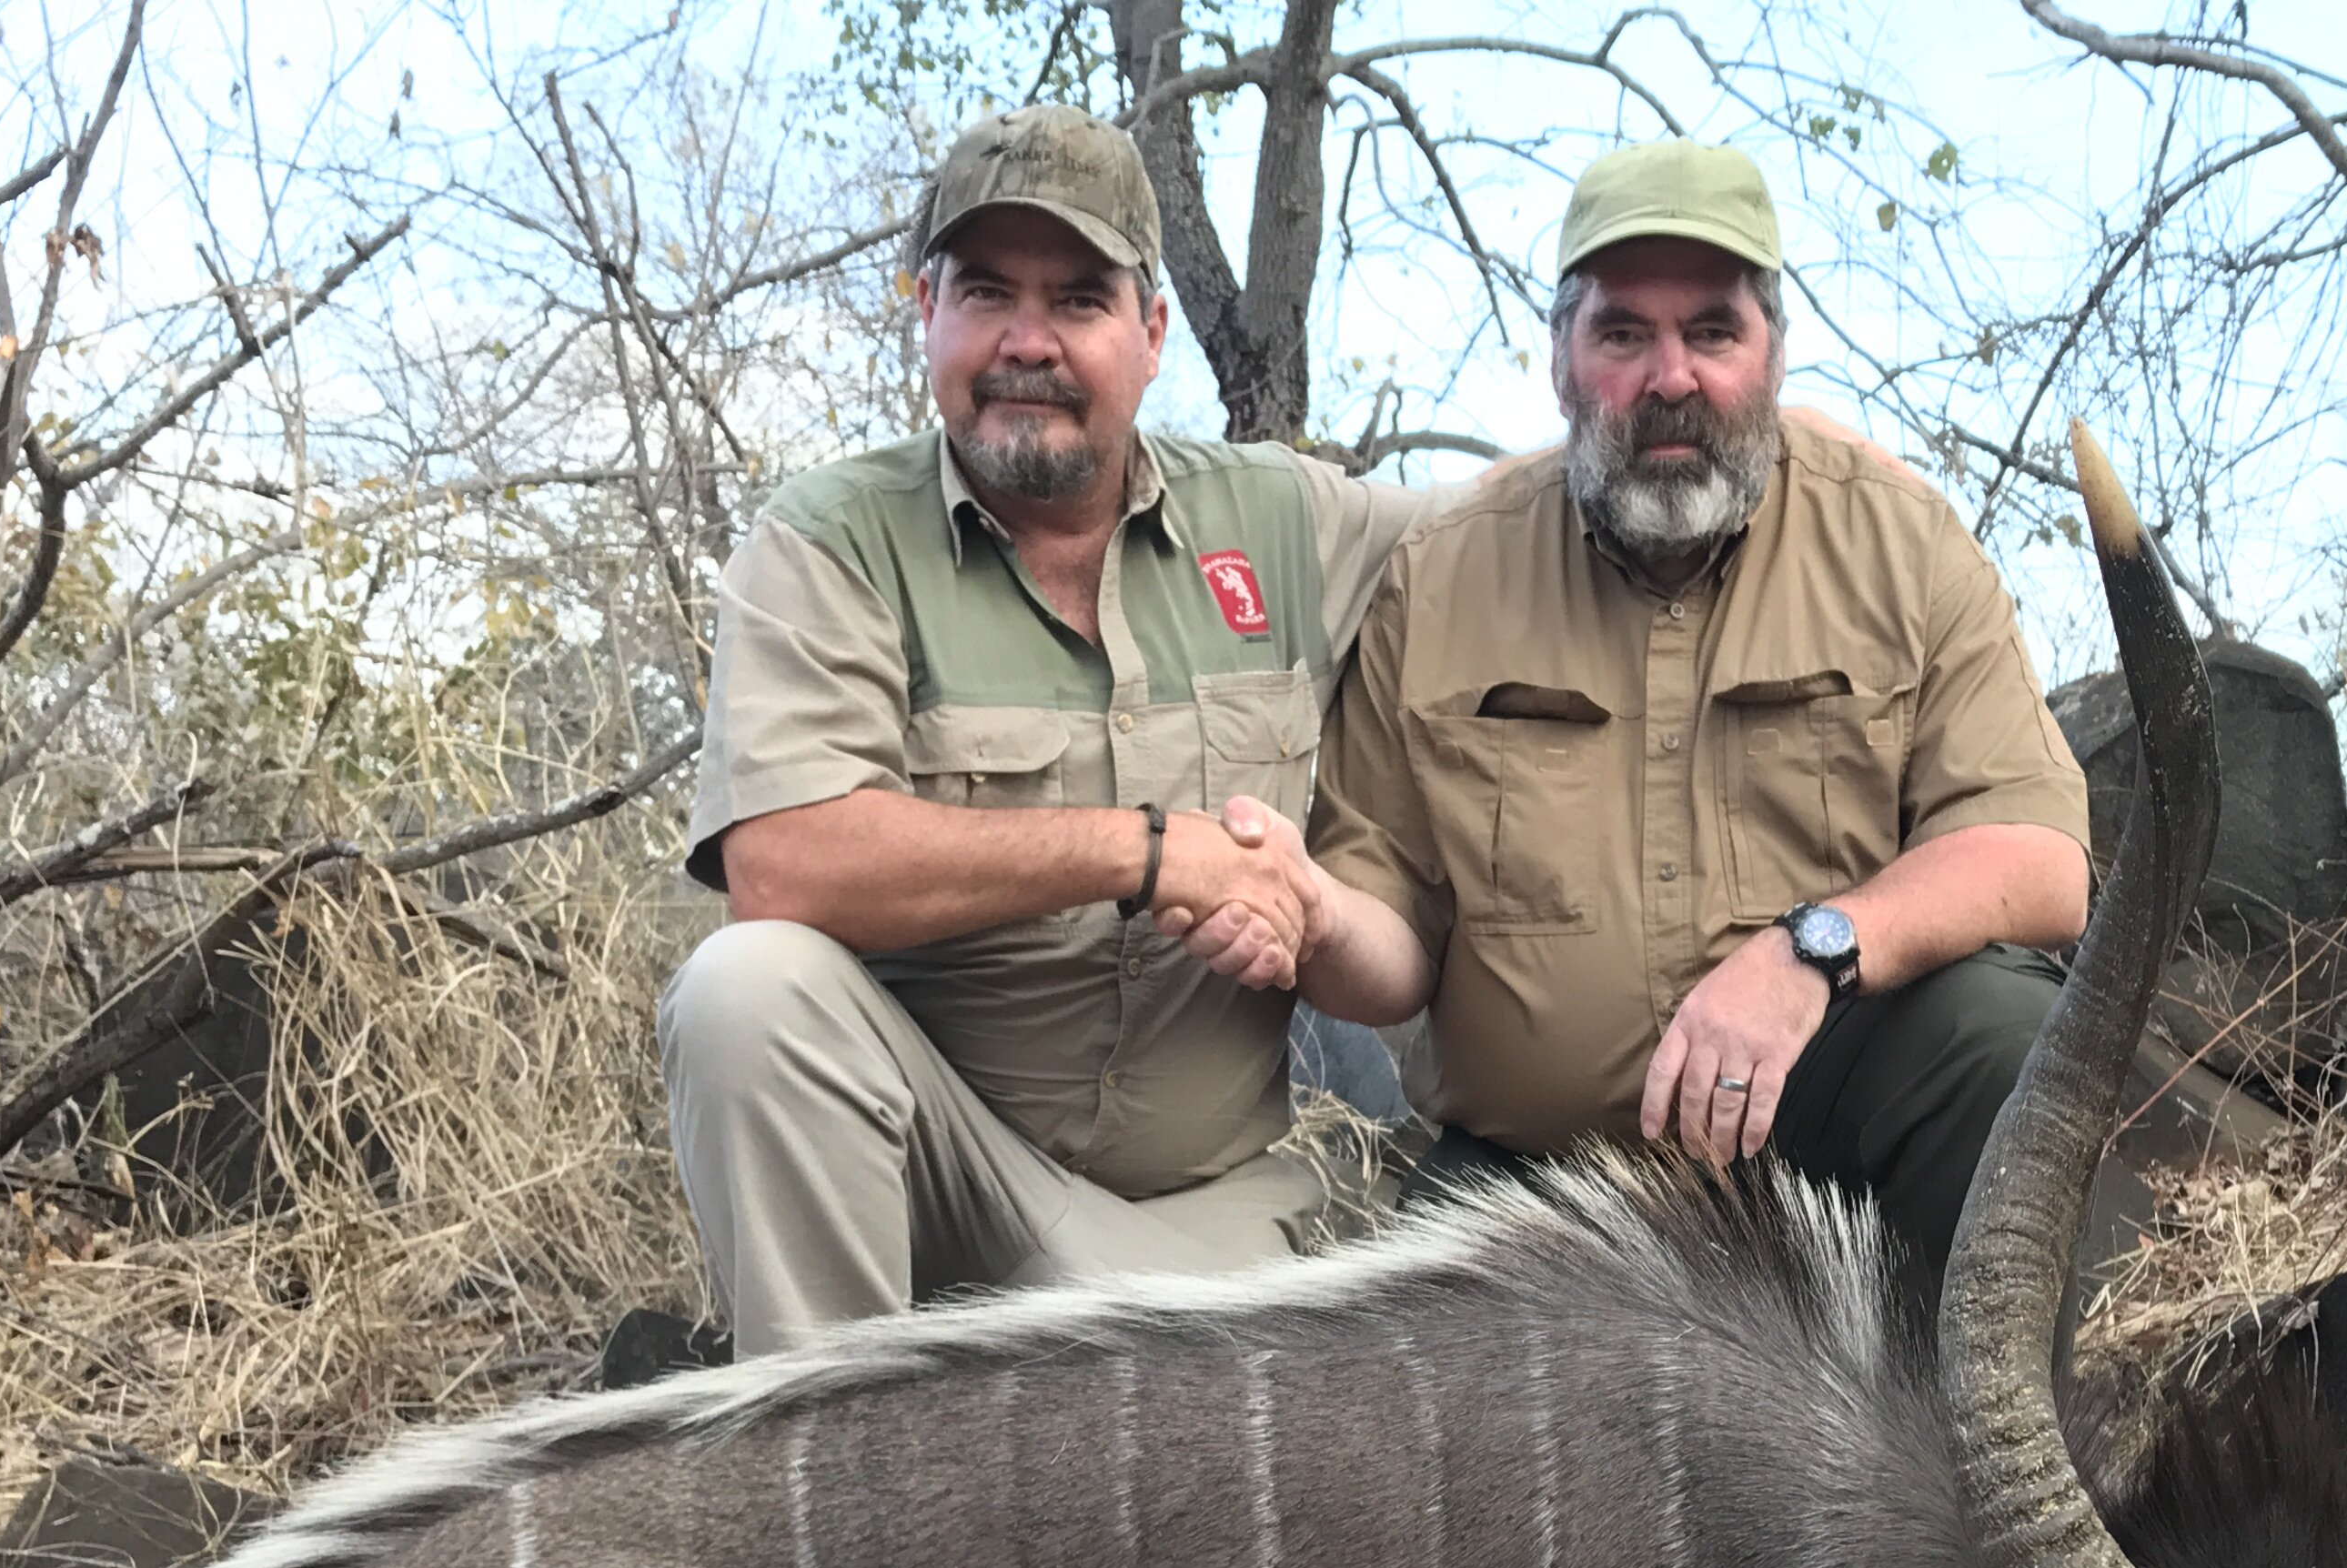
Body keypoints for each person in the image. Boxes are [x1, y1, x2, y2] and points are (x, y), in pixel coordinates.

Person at [1196, 141, 2100, 1292]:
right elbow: (1392, 943)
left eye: (1713, 332)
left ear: (1773, 354)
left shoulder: (1902, 538)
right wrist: (1315, 919)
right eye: (1623, 334)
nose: (1671, 376)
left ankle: (1990, 1464)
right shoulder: (1439, 573)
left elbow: (2037, 859)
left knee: (2000, 1051)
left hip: (1826, 1150)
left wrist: (1809, 952)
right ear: (1564, 364)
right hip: (1542, 1174)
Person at [660, 106, 1445, 1352]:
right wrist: (1143, 852)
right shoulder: (831, 541)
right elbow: (783, 864)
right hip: (950, 1214)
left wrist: (1799, 443)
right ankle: (834, 1490)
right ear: (927, 311)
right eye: (986, 293)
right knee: (745, 994)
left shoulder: (1287, 522)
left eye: (1077, 298)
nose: (1027, 342)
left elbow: (1520, 532)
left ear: (1149, 333)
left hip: (1217, 1237)